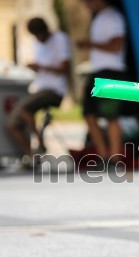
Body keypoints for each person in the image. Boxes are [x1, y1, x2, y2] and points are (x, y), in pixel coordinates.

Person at [5, 17, 70, 165]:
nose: (38, 39)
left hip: (54, 89)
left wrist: (41, 67)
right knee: (12, 124)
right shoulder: (37, 44)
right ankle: (32, 157)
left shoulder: (60, 39)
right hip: (39, 87)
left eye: (39, 35)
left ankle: (39, 142)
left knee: (22, 108)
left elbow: (65, 68)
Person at [77, 0, 128, 164]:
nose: (86, 5)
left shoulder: (113, 17)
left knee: (111, 114)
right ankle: (104, 156)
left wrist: (90, 44)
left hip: (112, 70)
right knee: (88, 114)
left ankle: (115, 158)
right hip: (97, 70)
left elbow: (116, 45)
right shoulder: (98, 18)